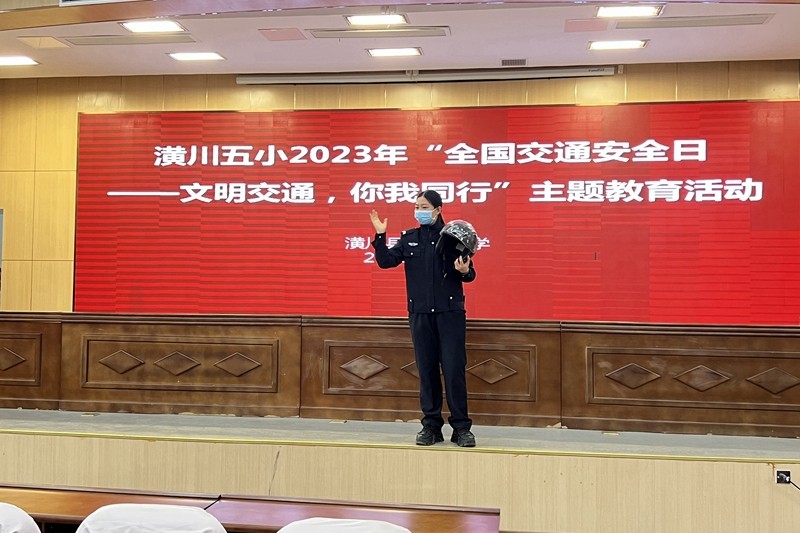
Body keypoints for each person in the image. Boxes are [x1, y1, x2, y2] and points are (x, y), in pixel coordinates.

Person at [369, 190, 477, 447]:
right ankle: (431, 426)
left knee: (453, 370)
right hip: (419, 313)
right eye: (417, 206)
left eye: (424, 207)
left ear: (438, 210)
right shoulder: (409, 238)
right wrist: (380, 235)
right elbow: (385, 262)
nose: (419, 211)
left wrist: (464, 271)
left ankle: (461, 428)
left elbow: (469, 274)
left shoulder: (452, 237)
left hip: (450, 314)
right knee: (427, 371)